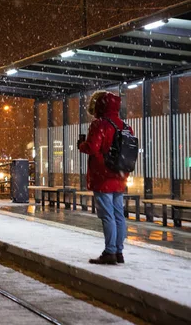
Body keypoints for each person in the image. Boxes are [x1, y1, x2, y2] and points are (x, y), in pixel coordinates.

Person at [79, 91, 133, 265]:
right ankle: (118, 251)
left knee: (107, 215)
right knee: (118, 215)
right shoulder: (124, 126)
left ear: (99, 106)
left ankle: (110, 251)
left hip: (103, 176)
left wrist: (82, 145)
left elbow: (93, 148)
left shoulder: (100, 124)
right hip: (119, 175)